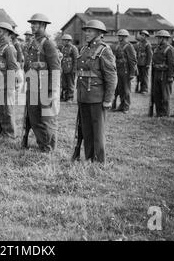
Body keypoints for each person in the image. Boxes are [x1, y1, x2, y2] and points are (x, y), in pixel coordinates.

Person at [76, 20, 117, 163]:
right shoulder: (84, 50)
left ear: (99, 34)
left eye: (90, 31)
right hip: (84, 97)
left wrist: (108, 100)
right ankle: (89, 158)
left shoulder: (105, 51)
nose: (86, 33)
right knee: (86, 131)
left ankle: (99, 162)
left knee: (98, 133)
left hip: (97, 98)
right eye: (86, 31)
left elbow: (111, 78)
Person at [23, 13, 61, 152]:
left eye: (35, 24)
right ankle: (42, 144)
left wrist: (52, 90)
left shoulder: (48, 43)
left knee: (47, 119)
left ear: (43, 25)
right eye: (31, 24)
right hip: (33, 85)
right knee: (34, 118)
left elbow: (56, 68)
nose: (32, 26)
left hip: (45, 87)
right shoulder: (32, 43)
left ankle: (49, 147)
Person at [0, 22, 21, 138]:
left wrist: (11, 86)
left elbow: (12, 68)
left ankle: (9, 133)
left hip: (6, 84)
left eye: (0, 32)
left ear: (8, 34)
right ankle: (2, 131)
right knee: (0, 109)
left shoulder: (9, 48)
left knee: (7, 110)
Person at [151, 30, 174, 117]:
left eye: (159, 38)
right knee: (156, 94)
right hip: (157, 74)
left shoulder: (170, 49)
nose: (157, 39)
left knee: (165, 95)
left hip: (165, 75)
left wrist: (170, 76)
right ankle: (159, 112)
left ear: (164, 39)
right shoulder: (156, 49)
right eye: (158, 38)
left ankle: (165, 113)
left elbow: (172, 64)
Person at [111, 29, 137, 114]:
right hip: (119, 70)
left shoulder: (129, 46)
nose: (119, 37)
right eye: (118, 36)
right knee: (120, 89)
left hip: (126, 71)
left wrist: (132, 73)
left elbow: (132, 60)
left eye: (120, 36)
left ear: (125, 37)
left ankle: (126, 106)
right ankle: (121, 106)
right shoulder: (118, 46)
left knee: (126, 90)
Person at [59, 34, 78, 102]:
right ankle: (65, 96)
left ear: (68, 41)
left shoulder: (73, 48)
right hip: (64, 69)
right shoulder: (63, 48)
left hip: (71, 69)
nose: (62, 42)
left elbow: (76, 59)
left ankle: (70, 97)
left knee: (70, 84)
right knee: (64, 83)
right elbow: (62, 58)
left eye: (64, 40)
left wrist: (74, 69)